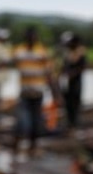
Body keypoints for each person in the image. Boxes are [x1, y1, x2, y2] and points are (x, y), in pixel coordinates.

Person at [11, 27, 60, 156]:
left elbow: (49, 74)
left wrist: (56, 94)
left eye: (34, 37)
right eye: (30, 37)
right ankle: (16, 147)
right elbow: (8, 62)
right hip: (24, 93)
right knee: (22, 121)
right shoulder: (19, 51)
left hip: (38, 93)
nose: (32, 39)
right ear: (26, 38)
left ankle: (32, 148)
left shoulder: (42, 52)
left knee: (36, 121)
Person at [59, 32, 87, 131]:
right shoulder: (68, 53)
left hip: (76, 83)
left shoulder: (81, 52)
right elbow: (64, 67)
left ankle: (74, 125)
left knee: (75, 104)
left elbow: (82, 67)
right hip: (67, 83)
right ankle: (70, 125)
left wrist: (71, 74)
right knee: (67, 104)